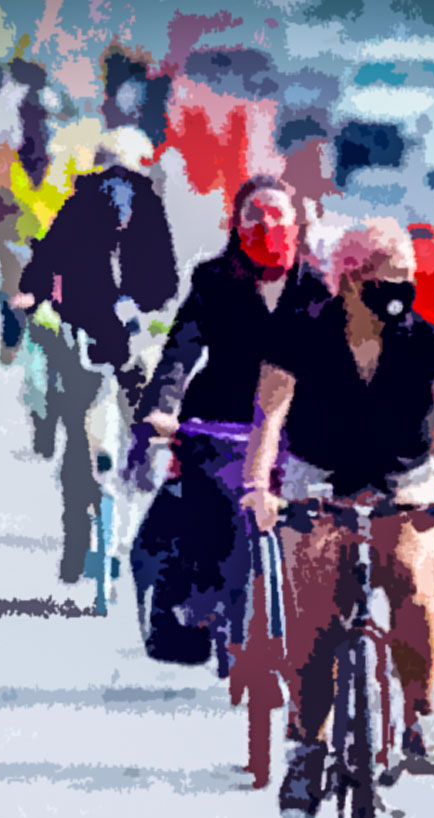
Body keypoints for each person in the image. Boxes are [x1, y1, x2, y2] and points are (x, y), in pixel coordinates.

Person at [240, 218, 434, 818]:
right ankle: (307, 745)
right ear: (350, 280)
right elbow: (269, 419)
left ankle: (419, 718)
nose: (402, 287)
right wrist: (258, 489)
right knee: (316, 610)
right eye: (389, 277)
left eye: (409, 276)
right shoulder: (301, 331)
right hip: (319, 476)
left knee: (410, 578)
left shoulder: (426, 338)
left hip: (403, 478)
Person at [133, 175, 328, 640]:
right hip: (219, 422)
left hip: (293, 426)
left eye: (277, 215)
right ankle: (202, 600)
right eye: (254, 216)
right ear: (235, 225)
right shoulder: (213, 280)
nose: (266, 225)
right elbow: (179, 352)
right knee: (200, 505)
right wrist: (163, 407)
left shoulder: (319, 289)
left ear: (297, 223)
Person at [16, 128, 180, 583]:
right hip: (89, 337)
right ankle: (79, 536)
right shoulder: (88, 204)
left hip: (124, 337)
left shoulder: (138, 209)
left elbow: (165, 281)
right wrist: (32, 291)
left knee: (139, 422)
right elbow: (50, 254)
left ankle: (135, 477)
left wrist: (136, 309)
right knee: (83, 435)